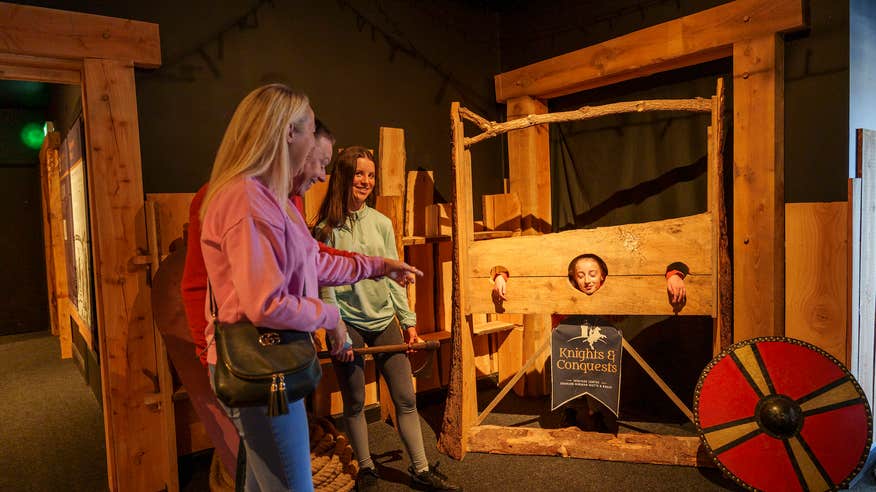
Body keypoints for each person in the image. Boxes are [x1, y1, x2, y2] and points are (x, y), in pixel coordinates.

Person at [198, 84, 422, 491]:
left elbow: (314, 260)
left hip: (271, 361)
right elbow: (265, 303)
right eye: (308, 130)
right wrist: (331, 315)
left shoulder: (270, 199)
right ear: (288, 133)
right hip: (262, 364)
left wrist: (378, 266)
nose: (318, 165)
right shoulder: (247, 200)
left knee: (266, 483)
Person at [314, 146, 460, 491]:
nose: (366, 181)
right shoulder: (325, 228)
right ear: (344, 177)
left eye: (371, 175)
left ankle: (420, 470)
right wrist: (337, 334)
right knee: (354, 402)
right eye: (359, 174)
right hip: (348, 322)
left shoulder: (381, 223)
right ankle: (366, 468)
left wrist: (408, 323)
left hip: (383, 320)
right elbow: (324, 287)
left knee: (405, 397)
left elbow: (397, 274)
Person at [491, 255, 687, 431]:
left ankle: (598, 412)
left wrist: (673, 275)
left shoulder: (611, 290)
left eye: (592, 274)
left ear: (602, 276)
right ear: (573, 278)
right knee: (569, 373)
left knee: (600, 374)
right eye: (581, 275)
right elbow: (521, 272)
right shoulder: (564, 292)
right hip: (570, 342)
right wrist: (501, 276)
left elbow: (625, 309)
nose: (587, 280)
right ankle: (570, 410)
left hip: (601, 344)